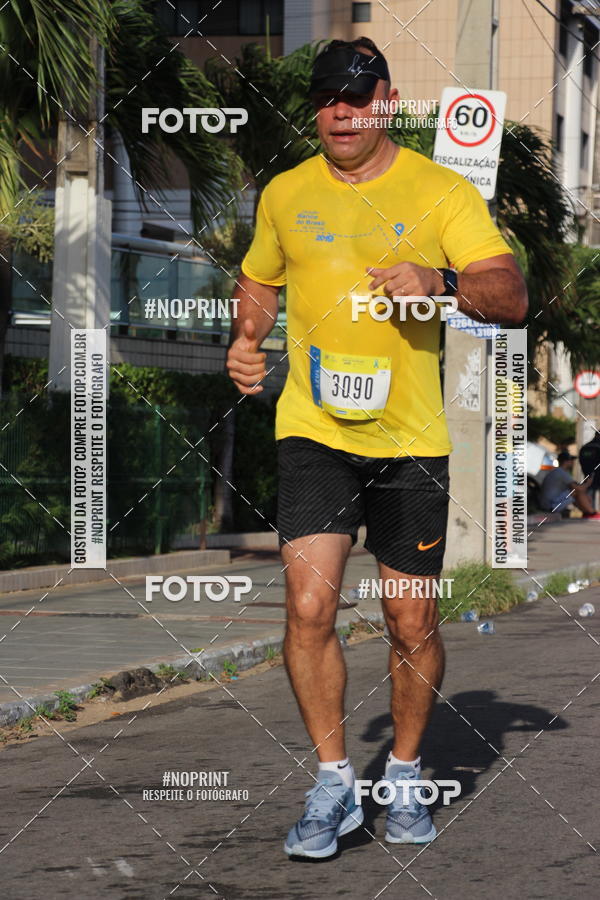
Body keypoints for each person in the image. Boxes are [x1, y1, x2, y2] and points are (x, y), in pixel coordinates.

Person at [226, 37, 528, 858]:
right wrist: (247, 334)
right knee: (310, 607)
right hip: (314, 432)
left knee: (409, 615)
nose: (342, 113)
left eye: (358, 98)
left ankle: (400, 772)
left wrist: (442, 282)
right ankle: (333, 784)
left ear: (387, 101)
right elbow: (260, 278)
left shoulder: (439, 191)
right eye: (329, 99)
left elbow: (511, 292)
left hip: (410, 442)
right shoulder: (287, 194)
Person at [539, 451, 597, 517]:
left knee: (576, 492)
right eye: (571, 460)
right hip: (551, 506)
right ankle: (592, 513)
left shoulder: (558, 471)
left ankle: (587, 512)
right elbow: (579, 488)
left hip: (548, 504)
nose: (573, 462)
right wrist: (588, 483)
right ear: (566, 462)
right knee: (576, 491)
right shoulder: (561, 472)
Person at [579, 430, 600, 509]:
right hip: (597, 476)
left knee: (589, 493)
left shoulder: (585, 447)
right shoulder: (597, 447)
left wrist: (587, 472)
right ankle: (593, 512)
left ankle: (590, 510)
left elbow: (581, 461)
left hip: (587, 475)